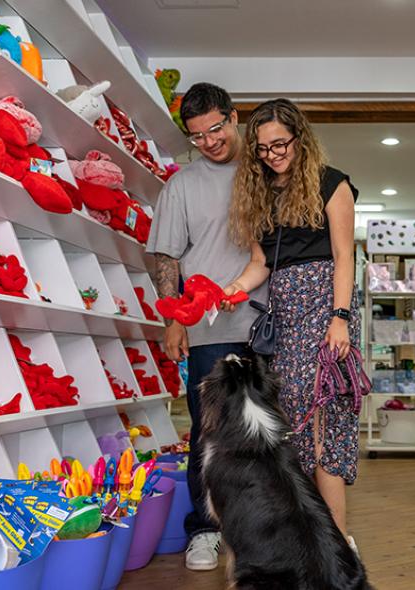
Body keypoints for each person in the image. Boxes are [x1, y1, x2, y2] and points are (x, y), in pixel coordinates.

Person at [223, 98, 360, 549]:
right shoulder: (263, 191)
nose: (272, 154)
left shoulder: (331, 183)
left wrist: (339, 319)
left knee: (323, 421)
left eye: (279, 144)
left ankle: (337, 543)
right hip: (286, 317)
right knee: (294, 423)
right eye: (262, 149)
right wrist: (232, 290)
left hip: (324, 310)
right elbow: (261, 262)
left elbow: (344, 257)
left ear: (299, 138)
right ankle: (309, 538)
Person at [146, 82, 265, 571]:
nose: (209, 141)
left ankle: (260, 527)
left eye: (215, 129)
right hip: (209, 332)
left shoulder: (265, 169)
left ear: (233, 117)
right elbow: (164, 254)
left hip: (266, 328)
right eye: (197, 136)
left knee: (265, 434)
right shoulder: (182, 185)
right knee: (208, 433)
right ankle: (205, 530)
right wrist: (174, 319)